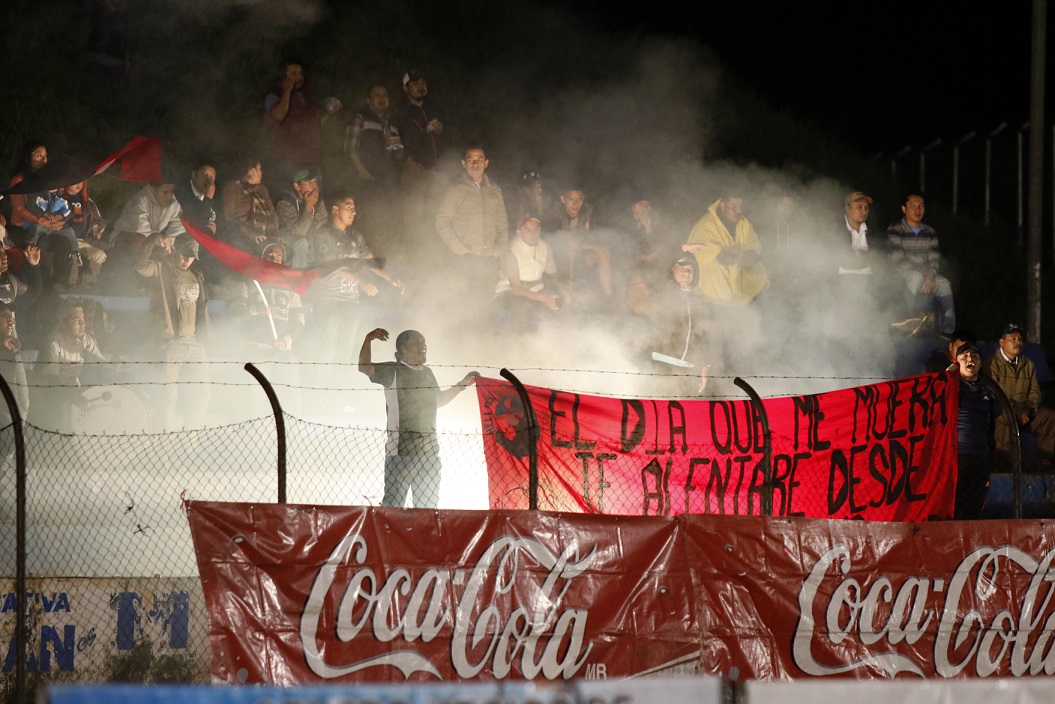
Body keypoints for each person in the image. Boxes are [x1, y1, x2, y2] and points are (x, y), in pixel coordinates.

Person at [358, 328, 479, 508]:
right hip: (400, 453)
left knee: (427, 510)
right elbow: (364, 367)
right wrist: (368, 339)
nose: (423, 347)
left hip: (429, 453)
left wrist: (461, 385)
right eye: (417, 343)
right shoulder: (393, 370)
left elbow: (439, 400)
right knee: (393, 508)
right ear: (402, 350)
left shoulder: (428, 372)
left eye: (423, 343)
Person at [134, 233, 210, 430]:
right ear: (175, 250)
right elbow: (140, 265)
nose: (187, 260)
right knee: (169, 398)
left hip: (194, 343)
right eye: (184, 254)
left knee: (203, 394)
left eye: (191, 256)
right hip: (172, 343)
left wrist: (205, 338)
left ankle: (190, 443)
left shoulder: (196, 275)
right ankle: (168, 445)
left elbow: (202, 308)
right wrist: (153, 239)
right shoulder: (162, 268)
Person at [435, 147, 508, 300]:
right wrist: (457, 246)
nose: (475, 164)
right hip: (465, 258)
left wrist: (500, 248)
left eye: (479, 160)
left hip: (489, 258)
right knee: (463, 302)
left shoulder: (495, 190)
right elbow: (442, 221)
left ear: (486, 163)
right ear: (464, 163)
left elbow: (502, 222)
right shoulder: (456, 189)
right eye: (470, 160)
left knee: (485, 301)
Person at [984, 322, 1055, 471]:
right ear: (1002, 342)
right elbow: (995, 395)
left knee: (1049, 417)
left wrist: (1028, 410)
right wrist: (1015, 411)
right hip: (1003, 410)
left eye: (1019, 339)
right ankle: (1004, 467)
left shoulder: (1028, 364)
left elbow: (1035, 392)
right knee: (1004, 418)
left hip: (1025, 412)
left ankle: (1042, 461)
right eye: (1013, 339)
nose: (1018, 342)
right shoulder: (992, 363)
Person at [30, 302, 110, 431]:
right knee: (62, 426)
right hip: (49, 398)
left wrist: (115, 364)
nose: (82, 324)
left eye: (83, 319)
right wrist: (74, 398)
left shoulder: (85, 340)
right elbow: (52, 383)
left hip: (71, 393)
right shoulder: (53, 344)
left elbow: (101, 363)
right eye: (76, 320)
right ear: (63, 323)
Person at [886, 191, 956, 335]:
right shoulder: (895, 229)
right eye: (912, 206)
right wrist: (925, 275)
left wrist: (930, 275)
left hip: (925, 276)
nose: (917, 210)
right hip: (900, 275)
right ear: (904, 209)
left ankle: (948, 331)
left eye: (921, 206)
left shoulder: (929, 231)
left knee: (944, 284)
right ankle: (907, 321)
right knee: (915, 276)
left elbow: (934, 259)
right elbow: (898, 259)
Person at [685, 189, 768, 305]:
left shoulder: (744, 223)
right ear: (722, 206)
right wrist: (737, 259)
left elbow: (753, 244)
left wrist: (750, 255)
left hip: (739, 295)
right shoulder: (705, 225)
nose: (738, 210)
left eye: (741, 206)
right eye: (734, 206)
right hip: (712, 297)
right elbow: (711, 252)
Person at [648, 253, 712, 396]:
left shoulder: (699, 302)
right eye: (682, 268)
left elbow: (704, 338)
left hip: (688, 370)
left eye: (691, 269)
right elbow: (657, 266)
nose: (687, 272)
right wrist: (681, 249)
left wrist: (704, 371)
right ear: (672, 269)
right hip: (661, 365)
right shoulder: (661, 291)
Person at [952, 343, 1000, 519]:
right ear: (956, 362)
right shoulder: (950, 387)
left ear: (980, 364)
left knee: (974, 506)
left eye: (975, 356)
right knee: (955, 505)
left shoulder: (988, 390)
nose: (970, 359)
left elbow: (996, 416)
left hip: (980, 456)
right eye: (964, 356)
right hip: (957, 456)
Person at [494, 215, 565, 329]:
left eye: (536, 229)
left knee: (561, 302)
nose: (533, 233)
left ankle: (556, 339)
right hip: (509, 292)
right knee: (522, 307)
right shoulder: (512, 252)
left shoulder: (544, 247)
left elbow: (554, 274)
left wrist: (564, 290)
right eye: (528, 230)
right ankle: (522, 341)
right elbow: (516, 289)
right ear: (518, 232)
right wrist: (545, 298)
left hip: (536, 288)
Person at [265, 61, 323, 179]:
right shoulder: (274, 95)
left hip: (312, 159)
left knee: (316, 196)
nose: (299, 76)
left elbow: (315, 124)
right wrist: (287, 91)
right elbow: (277, 116)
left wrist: (330, 113)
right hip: (289, 161)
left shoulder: (306, 95)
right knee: (292, 196)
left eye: (300, 73)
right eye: (293, 73)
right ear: (283, 77)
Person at [221, 157, 280, 252]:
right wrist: (252, 234)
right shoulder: (232, 188)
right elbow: (228, 218)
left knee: (283, 249)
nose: (261, 173)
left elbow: (272, 214)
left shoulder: (262, 189)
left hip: (266, 235)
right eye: (259, 169)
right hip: (243, 236)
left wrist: (277, 235)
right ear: (252, 171)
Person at [274, 167, 326, 268]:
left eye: (315, 182)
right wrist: (309, 206)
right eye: (309, 182)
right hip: (288, 241)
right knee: (302, 243)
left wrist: (315, 237)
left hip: (309, 240)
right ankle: (298, 278)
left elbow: (322, 223)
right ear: (297, 186)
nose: (314, 185)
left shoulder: (317, 200)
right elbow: (298, 232)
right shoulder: (285, 202)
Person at [63, 181, 108, 288]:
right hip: (67, 240)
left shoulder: (87, 201)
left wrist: (97, 231)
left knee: (100, 255)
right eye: (74, 182)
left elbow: (99, 220)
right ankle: (71, 285)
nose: (78, 184)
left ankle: (89, 282)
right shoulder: (60, 199)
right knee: (75, 258)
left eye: (81, 182)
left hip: (84, 240)